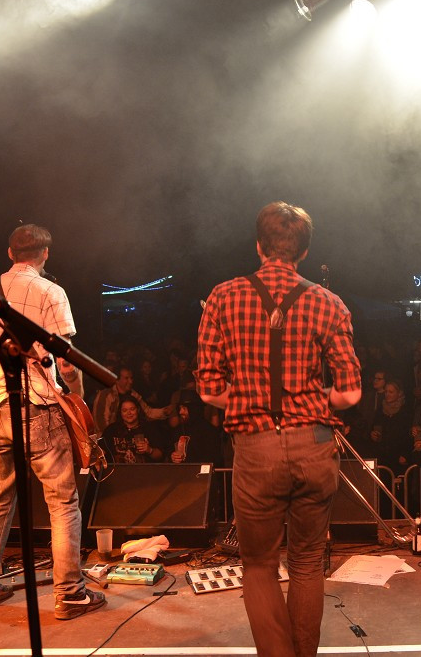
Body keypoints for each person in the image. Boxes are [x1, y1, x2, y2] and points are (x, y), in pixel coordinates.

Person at [197, 201, 361, 657]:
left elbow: (209, 389)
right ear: (304, 253)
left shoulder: (222, 297)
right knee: (308, 563)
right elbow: (349, 394)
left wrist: (250, 399)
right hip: (314, 445)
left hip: (256, 451)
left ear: (258, 246)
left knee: (259, 566)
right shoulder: (328, 303)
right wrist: (307, 400)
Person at [0, 223, 105, 620]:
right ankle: (71, 594)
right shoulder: (51, 292)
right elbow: (65, 358)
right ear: (45, 254)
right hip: (38, 407)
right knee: (62, 504)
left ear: (10, 254)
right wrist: (77, 397)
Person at [101, 397, 168, 463]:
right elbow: (100, 451)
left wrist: (149, 450)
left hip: (144, 472)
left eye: (132, 409)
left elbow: (160, 457)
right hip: (118, 472)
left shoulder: (149, 428)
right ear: (120, 413)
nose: (129, 413)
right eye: (124, 410)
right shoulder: (111, 430)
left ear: (138, 410)